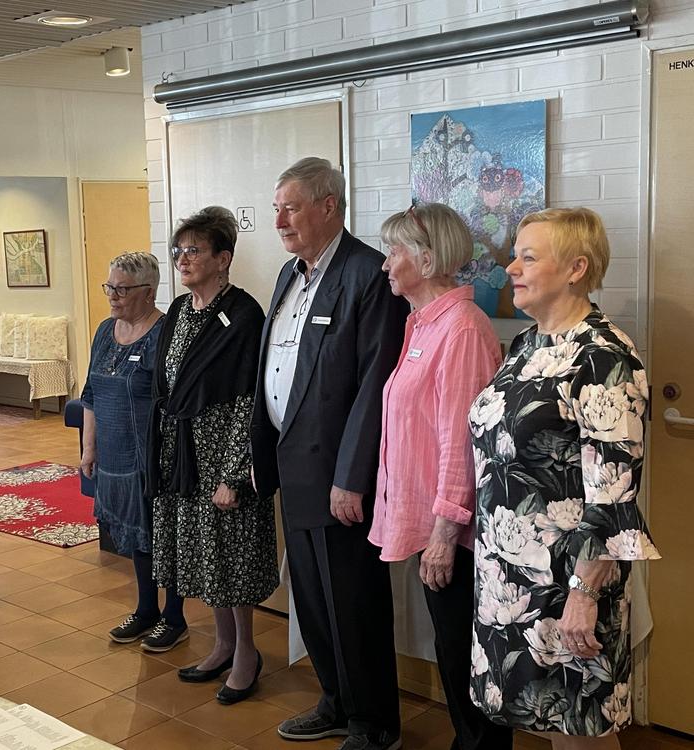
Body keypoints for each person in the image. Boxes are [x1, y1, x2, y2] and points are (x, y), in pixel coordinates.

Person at [468, 208, 660, 749]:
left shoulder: (603, 357)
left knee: (582, 728)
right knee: (551, 721)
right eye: (514, 256)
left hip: (569, 580)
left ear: (577, 268)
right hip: (512, 574)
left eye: (528, 258)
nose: (511, 268)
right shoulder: (528, 344)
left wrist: (584, 593)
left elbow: (614, 497)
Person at [250, 157, 409, 750]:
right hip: (294, 466)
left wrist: (352, 476)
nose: (279, 221)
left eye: (290, 208)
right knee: (314, 602)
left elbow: (374, 385)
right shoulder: (290, 273)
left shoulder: (367, 274)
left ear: (328, 206)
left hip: (340, 476)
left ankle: (375, 724)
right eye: (276, 209)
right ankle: (337, 702)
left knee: (353, 603)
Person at [369, 204, 512, 750]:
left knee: (466, 659)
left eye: (393, 252)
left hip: (454, 532)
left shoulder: (462, 328)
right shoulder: (423, 322)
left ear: (426, 260)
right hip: (432, 521)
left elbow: (461, 442)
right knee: (454, 654)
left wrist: (444, 533)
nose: (385, 264)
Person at [148, 206, 278, 704]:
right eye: (178, 251)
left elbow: (250, 400)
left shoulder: (244, 315)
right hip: (185, 457)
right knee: (206, 556)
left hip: (224, 454)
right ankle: (222, 644)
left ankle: (246, 652)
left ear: (223, 259)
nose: (182, 259)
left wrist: (234, 474)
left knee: (232, 557)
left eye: (194, 251)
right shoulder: (180, 310)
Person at [80, 252, 184, 646]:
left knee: (162, 536)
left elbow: (175, 400)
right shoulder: (105, 331)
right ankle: (146, 610)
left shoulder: (165, 332)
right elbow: (90, 393)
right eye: (109, 287)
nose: (112, 295)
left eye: (122, 289)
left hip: (152, 455)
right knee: (136, 537)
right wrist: (89, 448)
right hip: (114, 454)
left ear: (149, 292)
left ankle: (174, 617)